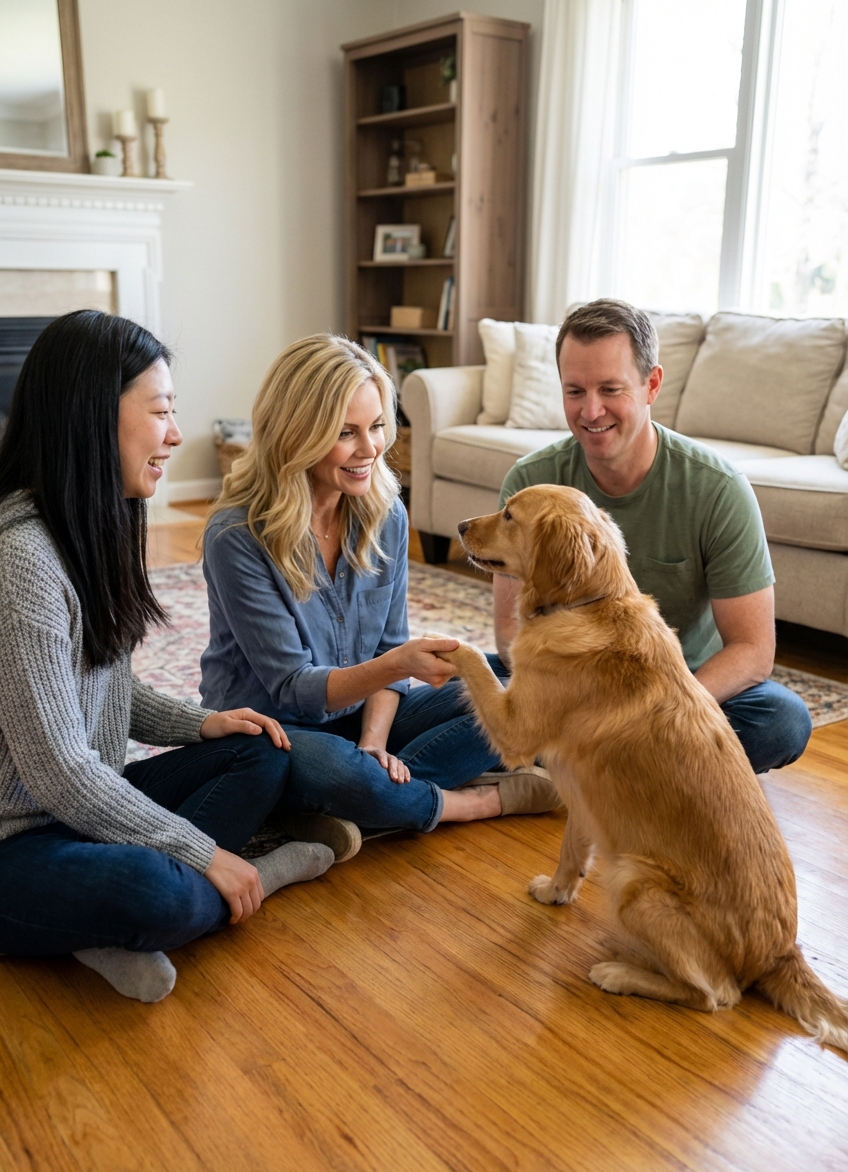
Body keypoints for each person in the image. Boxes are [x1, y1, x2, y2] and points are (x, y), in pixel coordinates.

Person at [0, 311, 335, 1005]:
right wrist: (202, 851)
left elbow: (107, 683)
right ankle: (244, 880)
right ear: (94, 417)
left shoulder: (101, 518)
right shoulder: (20, 559)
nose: (177, 435)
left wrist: (202, 724)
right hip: (15, 841)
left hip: (81, 809)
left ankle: (97, 925)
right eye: (161, 412)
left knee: (260, 751)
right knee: (154, 890)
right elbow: (60, 770)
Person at [200, 333, 558, 844]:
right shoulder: (237, 536)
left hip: (366, 718)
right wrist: (398, 666)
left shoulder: (384, 510)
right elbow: (295, 689)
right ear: (295, 434)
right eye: (347, 433)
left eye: (377, 427)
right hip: (272, 732)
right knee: (328, 769)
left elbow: (392, 645)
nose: (371, 449)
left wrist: (373, 741)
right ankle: (471, 800)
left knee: (510, 678)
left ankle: (361, 799)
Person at [494, 298, 812, 775]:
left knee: (782, 721)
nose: (591, 410)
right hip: (568, 692)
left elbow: (752, 651)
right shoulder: (531, 484)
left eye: (610, 389)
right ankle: (634, 776)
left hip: (679, 692)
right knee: (452, 693)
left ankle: (579, 774)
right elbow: (509, 634)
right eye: (575, 391)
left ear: (652, 385)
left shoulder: (717, 488)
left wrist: (655, 711)